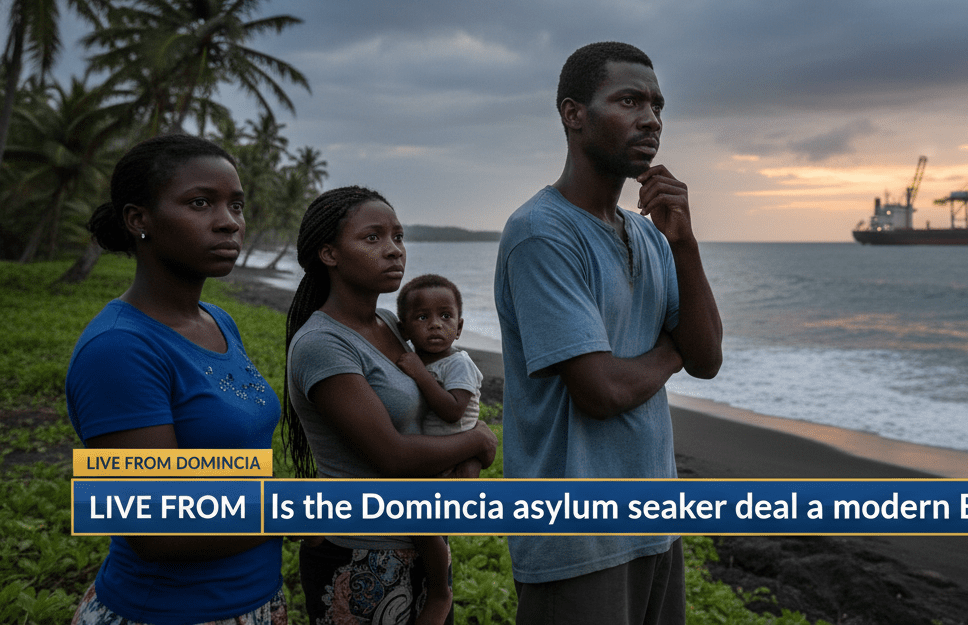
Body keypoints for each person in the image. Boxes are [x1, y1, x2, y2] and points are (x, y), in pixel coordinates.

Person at [494, 41, 723, 624]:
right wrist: (670, 351)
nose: (651, 119)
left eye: (657, 105)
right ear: (574, 114)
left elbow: (708, 357)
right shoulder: (542, 233)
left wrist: (686, 244)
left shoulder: (649, 235)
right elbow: (600, 391)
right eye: (629, 100)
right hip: (578, 542)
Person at [66, 134, 286, 625]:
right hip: (167, 612)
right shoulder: (119, 349)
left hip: (255, 599)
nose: (229, 221)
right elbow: (155, 528)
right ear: (138, 219)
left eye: (237, 205)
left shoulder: (218, 320)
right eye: (200, 202)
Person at [283, 187, 497, 625]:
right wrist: (476, 439)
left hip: (419, 542)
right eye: (373, 238)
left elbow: (445, 393)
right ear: (329, 253)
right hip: (363, 553)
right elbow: (392, 455)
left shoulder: (389, 325)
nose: (394, 251)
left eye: (398, 237)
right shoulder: (323, 344)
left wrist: (466, 463)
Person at [392, 273, 486, 624]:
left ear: (459, 327)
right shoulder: (423, 362)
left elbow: (452, 410)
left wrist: (419, 374)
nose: (435, 325)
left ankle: (440, 591)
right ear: (404, 328)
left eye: (445, 317)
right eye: (422, 317)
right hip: (437, 458)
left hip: (450, 460)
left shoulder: (457, 363)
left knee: (425, 527)